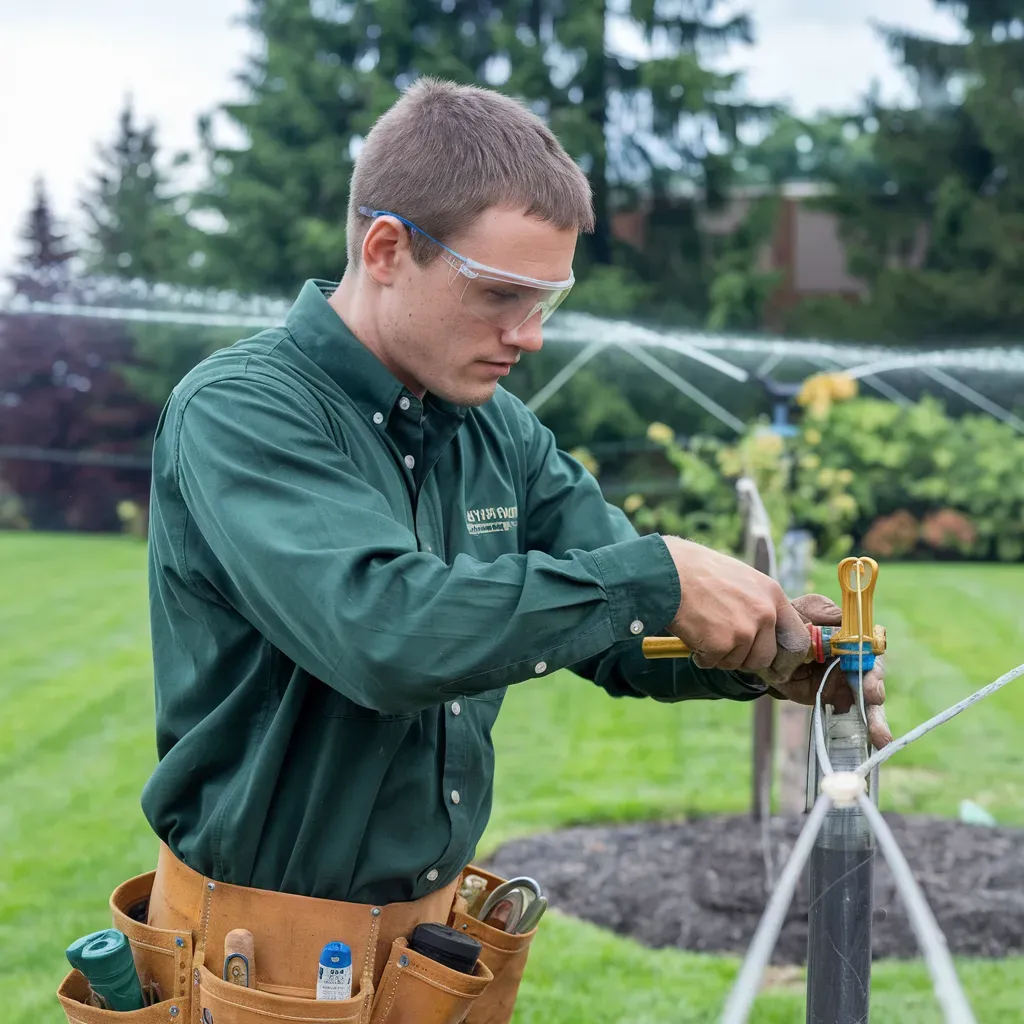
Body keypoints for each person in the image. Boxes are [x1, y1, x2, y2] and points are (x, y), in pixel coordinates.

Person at [135, 78, 890, 1023]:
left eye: (548, 299)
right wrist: (655, 574)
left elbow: (623, 628)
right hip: (259, 967)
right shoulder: (244, 410)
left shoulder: (499, 434)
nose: (528, 337)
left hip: (436, 953)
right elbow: (385, 633)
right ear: (386, 249)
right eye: (499, 295)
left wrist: (779, 656)